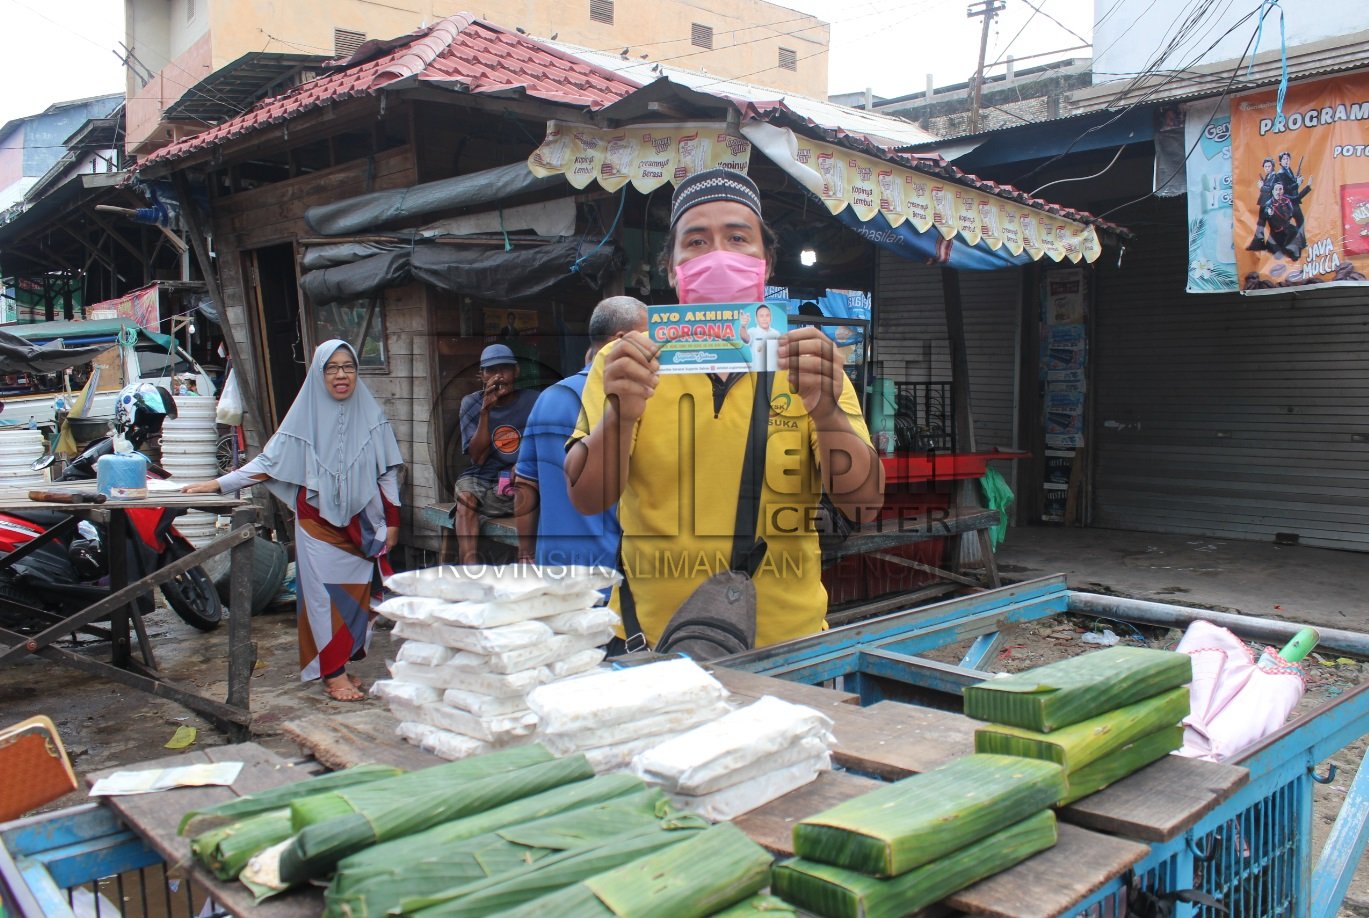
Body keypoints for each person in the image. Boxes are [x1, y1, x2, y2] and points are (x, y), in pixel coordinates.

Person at [566, 167, 884, 650]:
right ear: (671, 268)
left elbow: (864, 507)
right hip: (650, 643)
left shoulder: (809, 359)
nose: (717, 255)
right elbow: (588, 498)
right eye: (695, 242)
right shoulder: (623, 360)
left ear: (766, 262)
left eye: (738, 238)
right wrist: (620, 415)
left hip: (786, 646)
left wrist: (826, 412)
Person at [182, 341, 403, 702]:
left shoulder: (371, 413)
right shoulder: (304, 416)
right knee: (325, 598)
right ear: (318, 373)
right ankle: (332, 674)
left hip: (362, 524)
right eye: (331, 368)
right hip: (318, 523)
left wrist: (393, 520)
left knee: (357, 596)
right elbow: (266, 465)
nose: (341, 374)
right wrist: (219, 483)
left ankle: (341, 663)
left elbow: (387, 473)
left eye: (348, 366)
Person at [512, 296, 647, 570]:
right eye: (646, 336)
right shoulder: (639, 402)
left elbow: (525, 485)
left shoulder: (548, 398)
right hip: (614, 576)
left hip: (554, 571)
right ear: (619, 340)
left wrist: (526, 553)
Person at [454, 343, 538, 564]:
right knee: (465, 500)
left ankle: (525, 561)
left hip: (522, 477)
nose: (498, 376)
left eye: (505, 369)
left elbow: (545, 446)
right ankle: (469, 572)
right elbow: (478, 458)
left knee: (528, 488)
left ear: (516, 371)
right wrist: (485, 412)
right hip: (483, 477)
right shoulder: (471, 403)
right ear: (481, 375)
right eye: (491, 371)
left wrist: (521, 465)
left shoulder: (533, 401)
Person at [739, 303, 781, 371]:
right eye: (761, 316)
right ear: (756, 319)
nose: (764, 318)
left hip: (775, 372)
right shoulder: (752, 331)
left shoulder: (776, 333)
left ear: (771, 318)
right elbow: (745, 337)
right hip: (758, 373)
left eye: (767, 315)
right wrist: (743, 326)